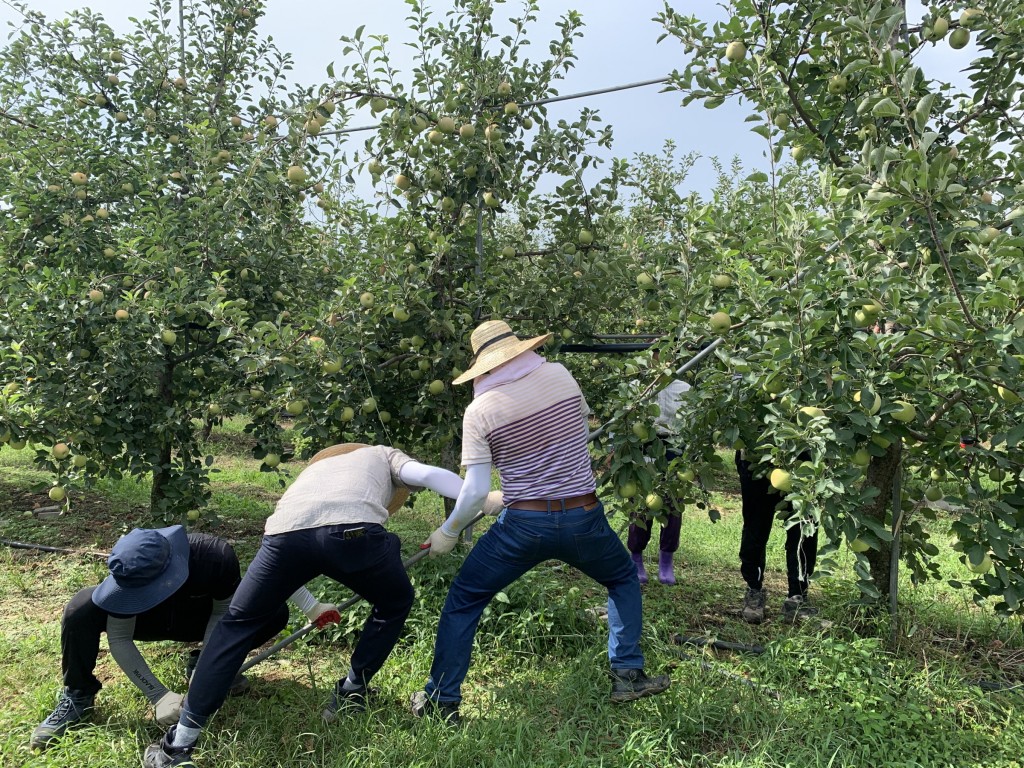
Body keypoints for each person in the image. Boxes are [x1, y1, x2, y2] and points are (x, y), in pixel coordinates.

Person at [144, 443, 496, 768]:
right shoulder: (384, 455)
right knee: (395, 601)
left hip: (282, 537)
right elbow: (429, 475)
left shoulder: (315, 472)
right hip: (354, 534)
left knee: (236, 623)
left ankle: (180, 743)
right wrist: (479, 498)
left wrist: (311, 605)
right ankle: (352, 690)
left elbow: (304, 537)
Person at [412, 319, 671, 725]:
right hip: (582, 516)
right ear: (520, 349)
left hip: (524, 526)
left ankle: (442, 700)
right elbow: (570, 438)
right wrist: (515, 490)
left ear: (483, 366)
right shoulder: (560, 375)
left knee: (464, 600)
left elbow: (476, 490)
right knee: (622, 579)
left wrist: (448, 531)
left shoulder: (479, 410)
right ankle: (628, 674)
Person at [31, 526, 334, 751]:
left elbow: (222, 617)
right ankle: (78, 695)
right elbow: (120, 637)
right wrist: (158, 695)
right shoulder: (130, 568)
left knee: (273, 613)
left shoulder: (215, 557)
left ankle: (202, 666)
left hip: (196, 615)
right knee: (80, 609)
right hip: (148, 620)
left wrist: (207, 666)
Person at [735, 451, 819, 623]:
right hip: (756, 452)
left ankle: (798, 595)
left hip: (803, 455)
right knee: (755, 525)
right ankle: (753, 590)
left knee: (803, 526)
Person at [628, 373, 690, 586]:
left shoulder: (685, 388)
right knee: (640, 505)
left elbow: (693, 426)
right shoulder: (636, 387)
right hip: (643, 451)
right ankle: (636, 557)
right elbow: (622, 420)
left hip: (674, 451)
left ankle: (666, 559)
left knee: (673, 505)